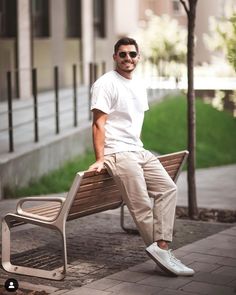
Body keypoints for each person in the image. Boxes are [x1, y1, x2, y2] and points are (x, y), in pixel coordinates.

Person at [89, 37, 194, 277]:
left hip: (138, 149)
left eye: (132, 54)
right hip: (118, 152)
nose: (128, 58)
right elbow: (98, 124)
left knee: (168, 189)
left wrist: (138, 147)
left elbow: (133, 121)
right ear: (115, 57)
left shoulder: (138, 84)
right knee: (141, 206)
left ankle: (162, 247)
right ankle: (164, 254)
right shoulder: (105, 84)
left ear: (139, 57)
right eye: (123, 54)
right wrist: (100, 157)